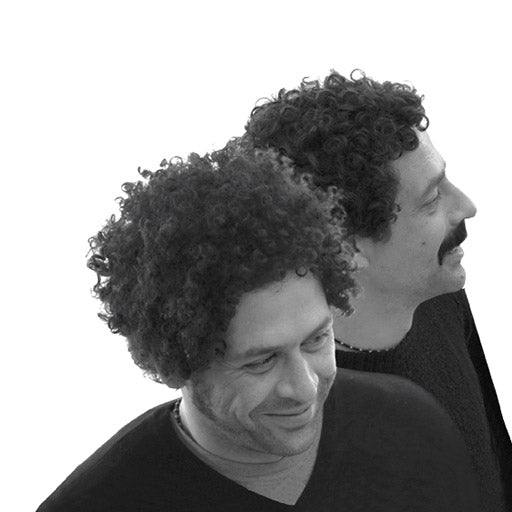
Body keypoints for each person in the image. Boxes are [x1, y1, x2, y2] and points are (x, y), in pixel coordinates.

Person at [37, 149, 479, 511]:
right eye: (262, 361)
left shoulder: (413, 427)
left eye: (316, 340)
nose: (304, 388)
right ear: (176, 361)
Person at [244, 70, 511, 511]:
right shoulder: (292, 417)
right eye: (432, 199)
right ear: (347, 249)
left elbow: (495, 462)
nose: (467, 206)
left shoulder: (437, 297)